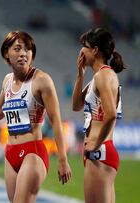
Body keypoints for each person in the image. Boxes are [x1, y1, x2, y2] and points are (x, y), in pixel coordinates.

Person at [0, 30, 72, 202]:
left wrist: (62, 159)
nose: (23, 53)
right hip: (10, 153)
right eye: (17, 49)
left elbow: (56, 122)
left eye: (28, 49)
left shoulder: (42, 80)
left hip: (33, 152)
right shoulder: (7, 80)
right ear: (6, 53)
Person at [72, 28, 124, 203]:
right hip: (100, 153)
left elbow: (110, 115)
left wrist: (95, 144)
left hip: (99, 153)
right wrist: (80, 75)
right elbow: (76, 105)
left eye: (84, 47)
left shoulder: (103, 75)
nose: (81, 52)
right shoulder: (98, 77)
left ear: (95, 50)